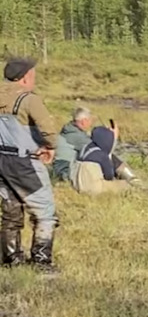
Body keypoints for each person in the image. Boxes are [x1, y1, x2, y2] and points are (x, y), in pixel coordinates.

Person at [0, 56, 58, 268]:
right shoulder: (29, 99)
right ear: (24, 77)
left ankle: (10, 260)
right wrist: (50, 147)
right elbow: (48, 131)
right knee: (45, 211)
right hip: (24, 162)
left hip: (1, 162)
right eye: (33, 74)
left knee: (11, 211)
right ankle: (42, 262)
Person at [53, 105, 94, 183]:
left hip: (61, 167)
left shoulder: (70, 130)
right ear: (84, 121)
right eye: (90, 120)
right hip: (65, 170)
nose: (91, 123)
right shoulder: (76, 135)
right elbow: (96, 150)